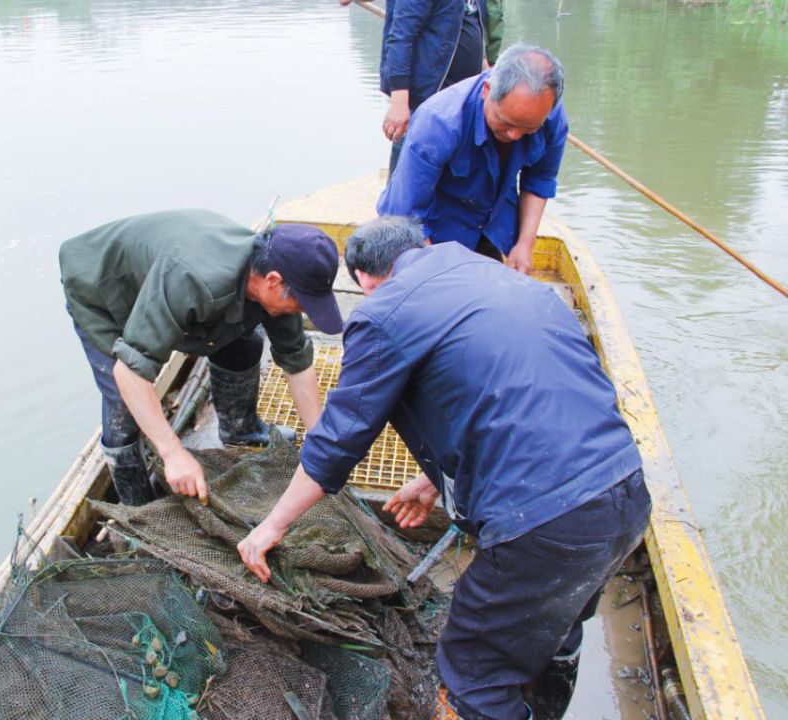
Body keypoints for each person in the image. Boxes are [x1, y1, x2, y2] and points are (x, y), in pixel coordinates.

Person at [237, 217, 652, 720]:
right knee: (556, 627)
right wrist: (433, 479)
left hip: (544, 522)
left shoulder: (385, 313)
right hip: (625, 492)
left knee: (472, 673)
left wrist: (271, 527)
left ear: (367, 282)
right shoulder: (508, 280)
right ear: (424, 247)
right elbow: (510, 398)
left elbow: (336, 444)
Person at [59, 209, 343, 506]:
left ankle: (240, 430)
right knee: (123, 401)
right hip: (104, 285)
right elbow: (129, 373)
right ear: (272, 281)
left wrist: (318, 438)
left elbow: (297, 360)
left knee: (244, 343)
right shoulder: (194, 280)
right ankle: (138, 504)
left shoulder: (278, 281)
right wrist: (173, 453)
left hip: (167, 276)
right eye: (303, 302)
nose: (304, 310)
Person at [378, 44, 568, 273]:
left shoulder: (549, 116)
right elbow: (406, 214)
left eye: (528, 128)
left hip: (491, 222)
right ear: (487, 91)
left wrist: (524, 245)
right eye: (506, 122)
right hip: (430, 228)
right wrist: (430, 269)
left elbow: (539, 180)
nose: (514, 135)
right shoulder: (439, 122)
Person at [340, 0, 505, 176]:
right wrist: (399, 104)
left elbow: (469, 23)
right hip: (427, 101)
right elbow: (401, 37)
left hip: (462, 103)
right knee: (407, 188)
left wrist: (484, 68)